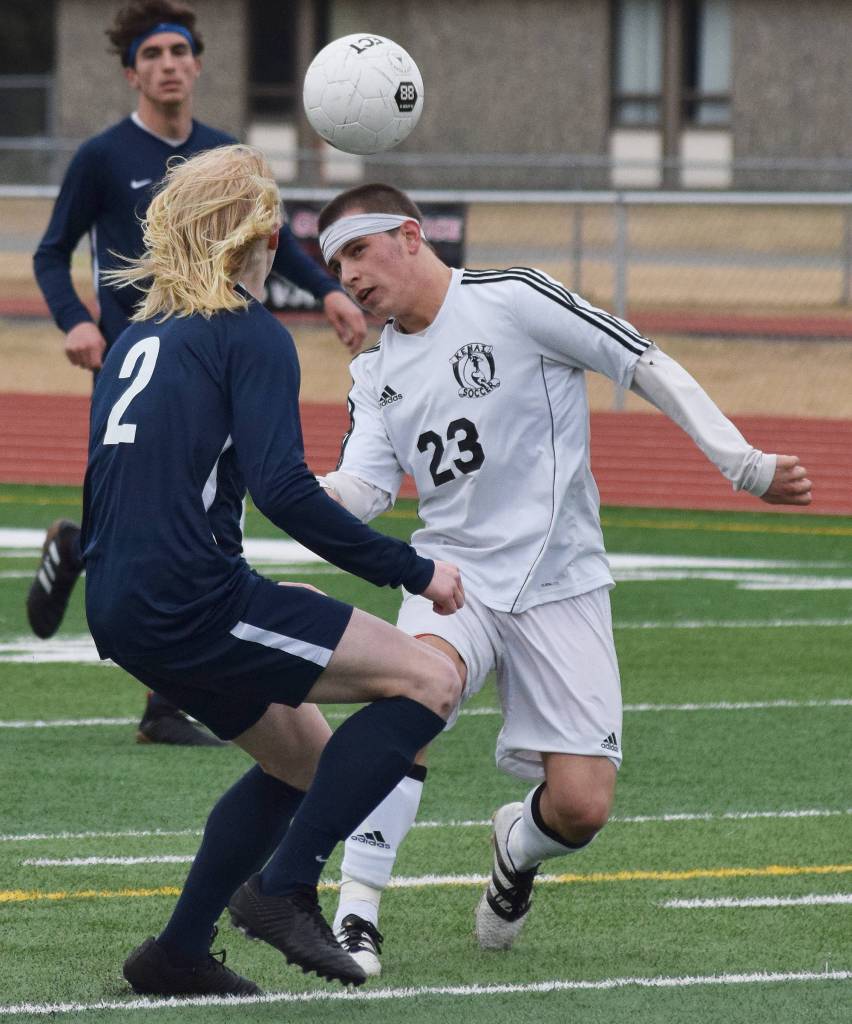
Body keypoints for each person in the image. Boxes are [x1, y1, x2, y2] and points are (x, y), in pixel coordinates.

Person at [305, 183, 814, 976]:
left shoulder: (513, 297)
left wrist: (741, 463)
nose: (350, 277)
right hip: (453, 580)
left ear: (409, 235)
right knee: (412, 697)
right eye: (335, 265)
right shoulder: (376, 372)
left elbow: (639, 361)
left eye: (358, 252)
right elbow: (363, 492)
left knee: (581, 809)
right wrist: (284, 486)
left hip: (561, 581)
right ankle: (355, 913)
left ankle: (517, 846)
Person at [81, 144, 463, 995]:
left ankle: (177, 953)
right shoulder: (249, 333)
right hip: (190, 598)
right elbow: (285, 490)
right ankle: (284, 886)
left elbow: (114, 485)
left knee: (303, 759)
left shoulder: (139, 337)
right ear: (254, 233)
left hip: (122, 599)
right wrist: (411, 570)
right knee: (429, 683)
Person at [27, 0, 367, 747]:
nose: (169, 64)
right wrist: (75, 320)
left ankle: (161, 689)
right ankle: (91, 561)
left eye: (179, 51)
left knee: (201, 512)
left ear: (199, 63)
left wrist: (330, 291)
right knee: (155, 508)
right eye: (152, 55)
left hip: (209, 361)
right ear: (131, 72)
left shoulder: (222, 156)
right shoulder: (102, 157)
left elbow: (271, 238)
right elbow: (51, 252)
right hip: (138, 358)